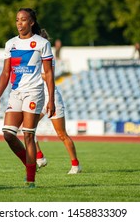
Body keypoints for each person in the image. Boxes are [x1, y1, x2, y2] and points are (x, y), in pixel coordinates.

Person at [0, 8, 55, 188]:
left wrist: (52, 100)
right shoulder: (10, 44)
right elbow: (5, 72)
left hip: (34, 92)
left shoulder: (42, 44)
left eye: (24, 20)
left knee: (28, 135)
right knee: (8, 134)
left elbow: (49, 73)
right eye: (17, 20)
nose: (20, 23)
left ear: (32, 22)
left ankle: (30, 180)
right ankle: (31, 165)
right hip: (16, 93)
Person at [35, 29, 82, 174]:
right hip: (40, 99)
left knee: (62, 135)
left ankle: (76, 165)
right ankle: (40, 157)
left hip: (52, 98)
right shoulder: (34, 58)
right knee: (27, 128)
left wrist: (33, 72)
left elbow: (50, 77)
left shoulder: (48, 57)